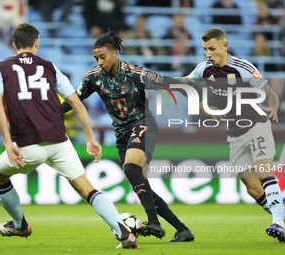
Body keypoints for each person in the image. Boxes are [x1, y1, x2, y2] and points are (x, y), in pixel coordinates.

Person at [0, 23, 138, 249]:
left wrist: (8, 143)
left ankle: (19, 224)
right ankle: (124, 234)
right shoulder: (50, 67)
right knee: (87, 188)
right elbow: (76, 102)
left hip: (27, 144)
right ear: (36, 44)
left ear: (14, 45)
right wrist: (91, 138)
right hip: (59, 140)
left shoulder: (0, 67)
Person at [62, 30, 195, 242]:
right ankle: (182, 230)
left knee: (131, 168)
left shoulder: (135, 73)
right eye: (96, 58)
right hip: (121, 133)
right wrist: (50, 115)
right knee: (139, 182)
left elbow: (167, 83)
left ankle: (154, 223)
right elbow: (74, 101)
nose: (99, 62)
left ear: (115, 53)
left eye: (102, 57)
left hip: (143, 124)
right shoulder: (93, 77)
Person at [175, 27, 285, 243]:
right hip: (235, 134)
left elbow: (270, 93)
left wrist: (274, 107)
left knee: (264, 171)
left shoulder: (243, 67)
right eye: (205, 49)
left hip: (257, 124)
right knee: (253, 189)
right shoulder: (203, 69)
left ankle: (277, 223)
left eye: (211, 49)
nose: (208, 54)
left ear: (225, 46)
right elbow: (185, 81)